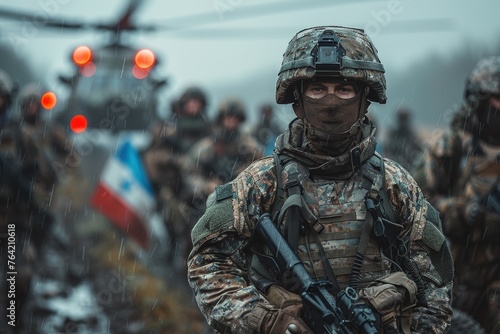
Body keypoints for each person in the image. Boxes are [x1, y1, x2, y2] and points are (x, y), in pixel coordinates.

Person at [187, 26, 453, 333]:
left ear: (365, 98)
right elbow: (208, 265)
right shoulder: (260, 183)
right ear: (297, 99)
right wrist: (264, 320)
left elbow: (435, 287)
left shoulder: (396, 185)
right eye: (317, 89)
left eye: (344, 89)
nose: (330, 101)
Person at [416, 56, 500, 333]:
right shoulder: (450, 147)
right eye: (497, 98)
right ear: (478, 99)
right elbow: (416, 205)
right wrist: (462, 210)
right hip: (461, 272)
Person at [382, 106, 423, 173]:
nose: (403, 122)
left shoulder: (411, 136)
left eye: (404, 118)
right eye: (401, 118)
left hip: (407, 169)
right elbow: (386, 153)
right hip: (394, 168)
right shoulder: (393, 134)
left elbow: (418, 155)